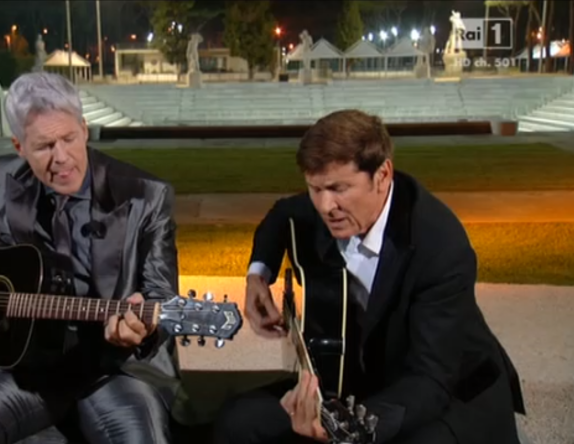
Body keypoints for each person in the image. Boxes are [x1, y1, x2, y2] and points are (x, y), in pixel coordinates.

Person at [0, 72, 180, 444]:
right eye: (44, 146)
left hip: (116, 368)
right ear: (19, 147)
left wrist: (142, 327)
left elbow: (162, 298)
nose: (61, 158)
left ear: (84, 128)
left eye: (69, 139)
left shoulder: (145, 196)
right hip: (32, 362)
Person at [213, 110, 525, 444]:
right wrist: (258, 276)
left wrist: (348, 429)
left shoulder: (440, 245)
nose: (325, 205)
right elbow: (281, 215)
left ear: (383, 175)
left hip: (444, 390)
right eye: (314, 188)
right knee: (239, 421)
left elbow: (430, 378)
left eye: (339, 188)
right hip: (351, 378)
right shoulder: (326, 206)